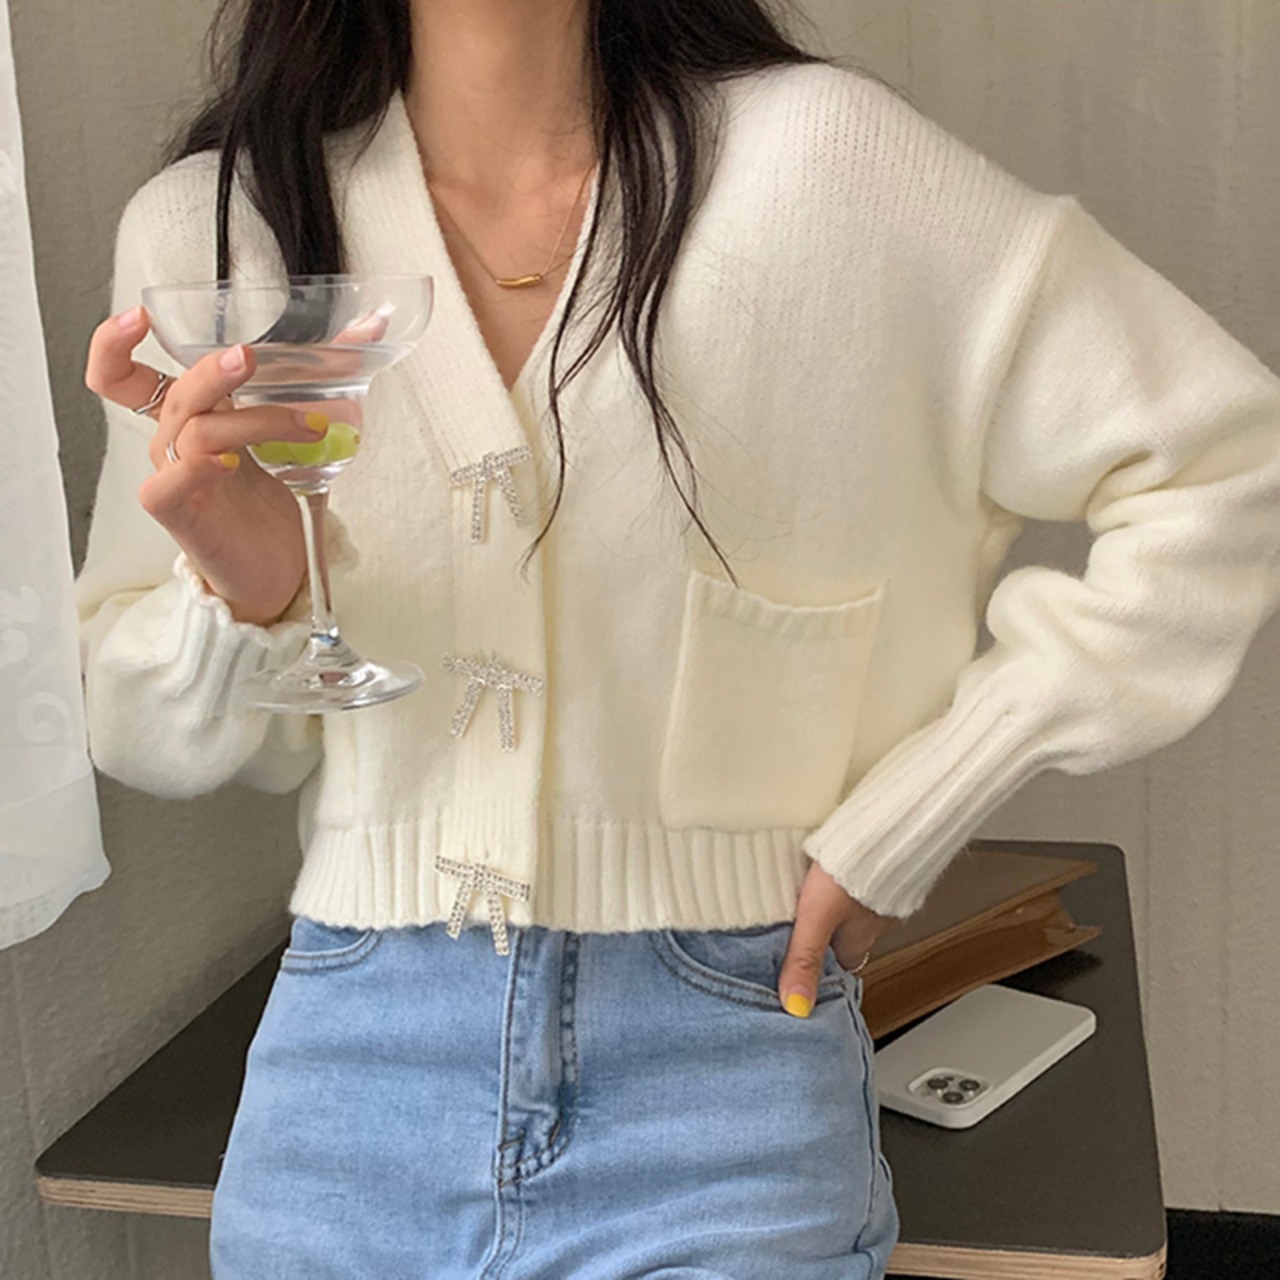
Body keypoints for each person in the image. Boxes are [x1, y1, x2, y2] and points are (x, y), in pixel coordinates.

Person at [76, 1, 1280, 1277]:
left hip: (725, 1071)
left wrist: (918, 807)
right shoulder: (220, 229)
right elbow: (142, 730)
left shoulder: (828, 164)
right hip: (346, 1079)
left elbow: (1221, 460)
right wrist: (249, 591)